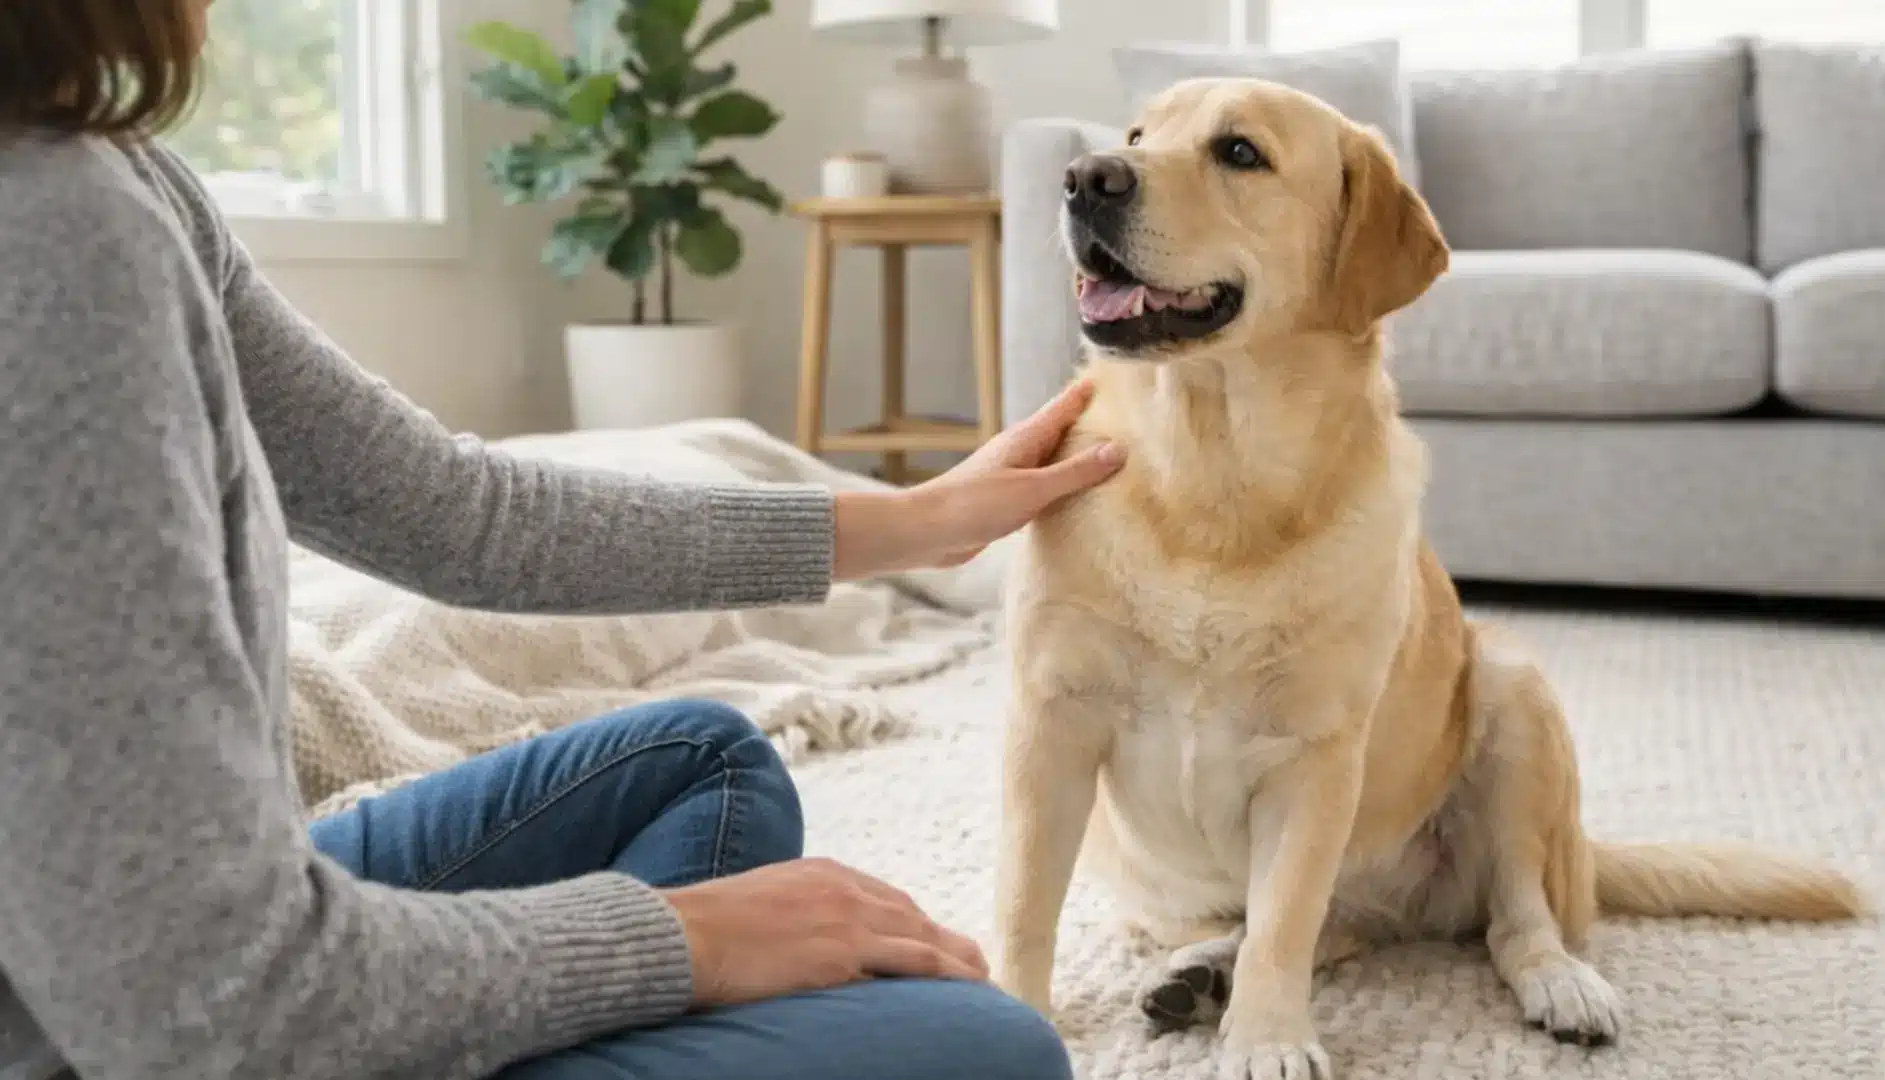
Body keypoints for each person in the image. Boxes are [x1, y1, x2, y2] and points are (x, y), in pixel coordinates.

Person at [0, 4, 1126, 1079]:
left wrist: (917, 523)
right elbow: (207, 1017)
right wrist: (682, 943)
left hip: (177, 941)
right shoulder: (52, 237)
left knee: (701, 761)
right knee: (990, 1052)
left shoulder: (121, 174)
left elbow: (451, 512)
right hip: (176, 1020)